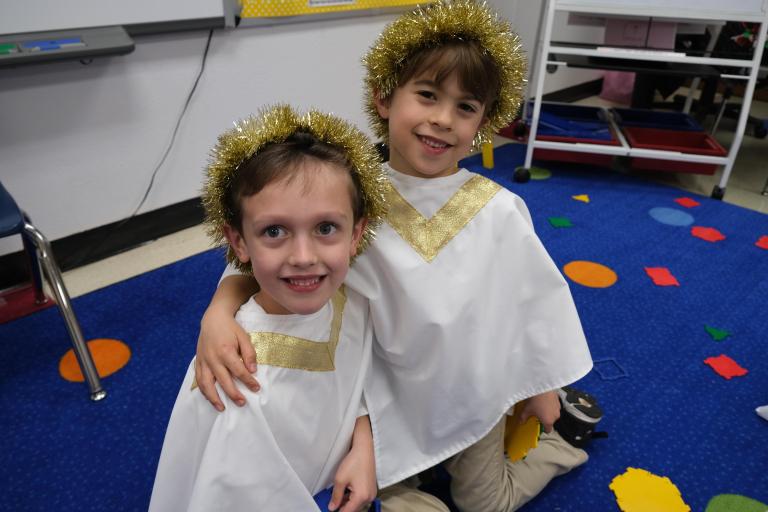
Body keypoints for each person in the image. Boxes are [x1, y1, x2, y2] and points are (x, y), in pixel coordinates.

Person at [194, 2, 601, 510]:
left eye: (465, 107)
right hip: (381, 398)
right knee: (387, 497)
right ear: (384, 98)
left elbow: (531, 300)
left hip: (473, 392)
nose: (442, 119)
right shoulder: (346, 195)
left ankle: (559, 444)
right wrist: (217, 313)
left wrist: (540, 384)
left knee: (484, 504)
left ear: (483, 122)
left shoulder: (498, 210)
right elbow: (261, 265)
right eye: (427, 95)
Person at [149, 104, 389, 512]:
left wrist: (364, 443)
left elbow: (355, 378)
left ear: (356, 234)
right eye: (274, 231)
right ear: (239, 242)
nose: (304, 257)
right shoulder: (237, 381)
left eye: (325, 228)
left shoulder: (348, 294)